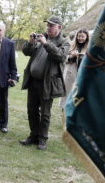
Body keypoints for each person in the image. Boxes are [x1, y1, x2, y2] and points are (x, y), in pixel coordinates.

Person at [20, 15, 70, 150]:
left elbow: (60, 56)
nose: (48, 28)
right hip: (33, 81)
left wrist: (46, 44)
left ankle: (42, 139)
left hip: (47, 83)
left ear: (59, 27)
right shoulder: (42, 37)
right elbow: (26, 52)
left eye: (51, 25)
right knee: (31, 110)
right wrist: (30, 42)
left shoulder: (64, 41)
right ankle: (33, 135)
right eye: (47, 25)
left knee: (45, 113)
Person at [59, 28, 90, 108]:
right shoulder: (71, 45)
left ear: (86, 37)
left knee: (79, 99)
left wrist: (81, 57)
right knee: (66, 98)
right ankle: (64, 114)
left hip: (82, 76)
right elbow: (63, 58)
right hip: (70, 75)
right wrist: (71, 57)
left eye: (82, 36)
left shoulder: (90, 49)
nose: (80, 38)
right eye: (79, 36)